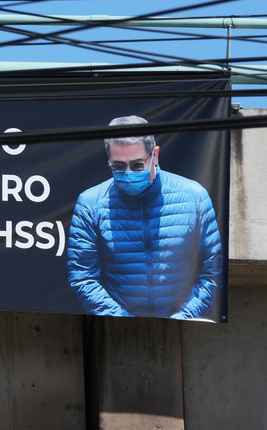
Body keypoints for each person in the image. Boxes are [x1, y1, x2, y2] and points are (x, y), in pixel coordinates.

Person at [67, 115, 222, 319]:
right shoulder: (90, 204)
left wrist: (184, 317)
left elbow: (213, 271)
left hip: (186, 325)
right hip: (115, 328)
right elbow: (83, 278)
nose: (129, 173)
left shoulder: (194, 197)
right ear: (108, 161)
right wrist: (123, 321)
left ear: (155, 155)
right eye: (119, 166)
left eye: (138, 165)